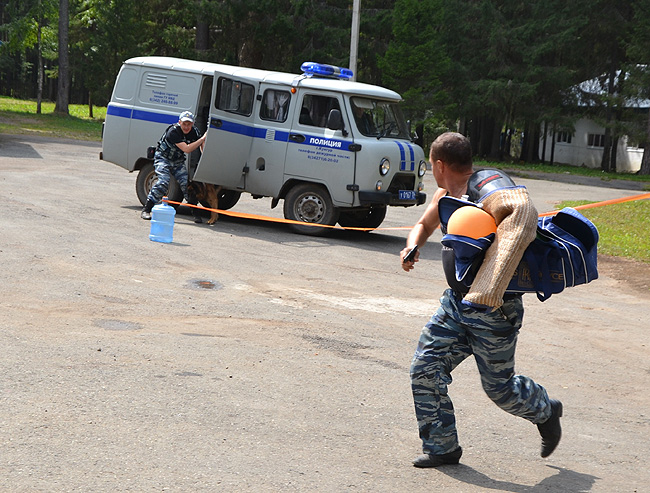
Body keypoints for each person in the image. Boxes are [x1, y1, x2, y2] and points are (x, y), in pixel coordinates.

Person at [400, 132, 563, 468]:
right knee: (425, 369)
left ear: (439, 164)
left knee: (500, 391)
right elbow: (425, 223)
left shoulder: (488, 186)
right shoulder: (445, 193)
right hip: (456, 304)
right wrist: (413, 245)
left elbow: (521, 209)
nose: (432, 171)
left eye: (432, 166)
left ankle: (546, 410)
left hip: (496, 310)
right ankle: (442, 447)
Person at [141, 111, 206, 221]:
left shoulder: (194, 131)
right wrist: (202, 139)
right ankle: (146, 210)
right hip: (163, 158)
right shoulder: (173, 131)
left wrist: (204, 152)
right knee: (163, 182)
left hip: (177, 161)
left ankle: (195, 212)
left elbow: (201, 145)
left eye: (189, 124)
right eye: (184, 124)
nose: (186, 127)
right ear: (179, 122)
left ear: (192, 124)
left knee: (187, 185)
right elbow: (187, 149)